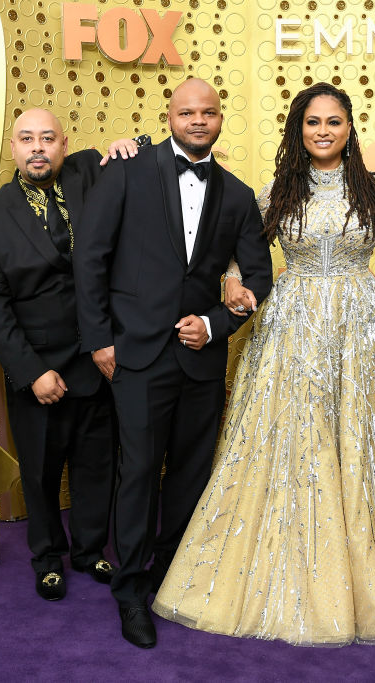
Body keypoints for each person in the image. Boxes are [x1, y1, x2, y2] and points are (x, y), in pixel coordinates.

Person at [151, 82, 375, 646]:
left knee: (359, 440)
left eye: (334, 122)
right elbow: (240, 254)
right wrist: (235, 281)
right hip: (293, 330)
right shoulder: (275, 192)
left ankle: (363, 563)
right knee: (293, 442)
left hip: (359, 332)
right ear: (298, 130)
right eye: (313, 123)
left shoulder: (374, 190)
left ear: (350, 128)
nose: (324, 132)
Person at [75, 78, 274, 649]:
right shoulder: (127, 170)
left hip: (200, 359)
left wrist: (215, 322)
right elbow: (90, 257)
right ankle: (131, 590)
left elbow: (256, 276)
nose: (197, 120)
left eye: (207, 112)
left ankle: (172, 574)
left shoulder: (236, 194)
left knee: (190, 473)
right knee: (138, 473)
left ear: (219, 117)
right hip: (133, 354)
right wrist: (99, 341)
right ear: (169, 116)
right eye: (186, 112)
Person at [0, 109, 129, 601]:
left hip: (99, 361)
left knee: (98, 464)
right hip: (39, 368)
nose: (38, 147)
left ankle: (90, 549)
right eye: (27, 139)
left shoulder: (87, 175)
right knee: (39, 470)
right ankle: (47, 557)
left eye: (48, 138)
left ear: (64, 144)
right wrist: (32, 373)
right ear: (12, 148)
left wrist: (129, 141)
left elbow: (139, 150)